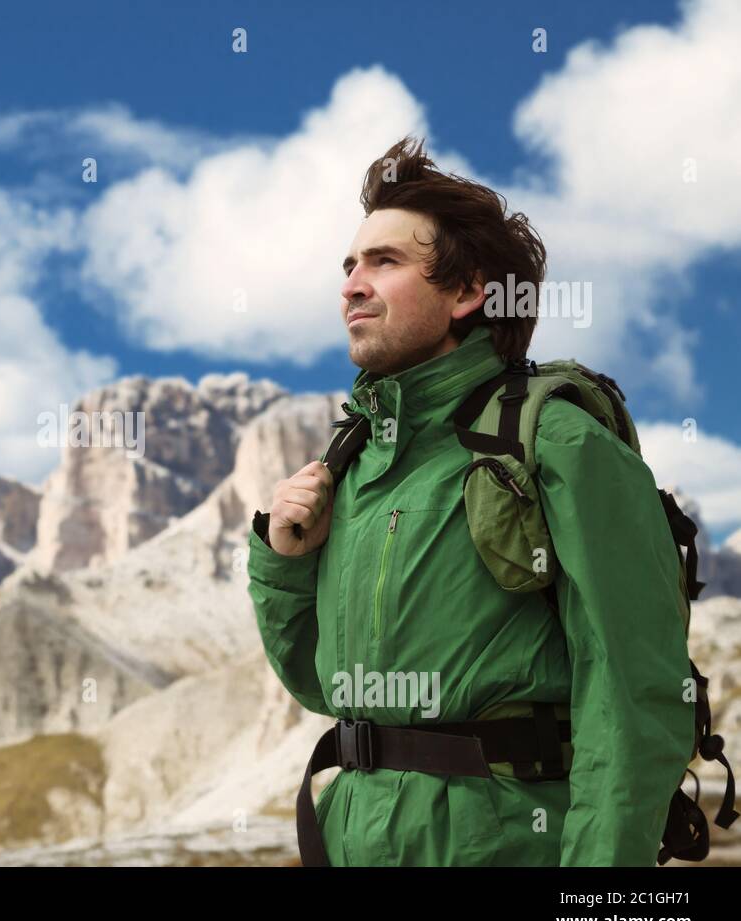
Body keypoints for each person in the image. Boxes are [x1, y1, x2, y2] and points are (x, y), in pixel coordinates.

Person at [246, 136, 697, 866]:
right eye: (350, 265)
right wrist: (283, 562)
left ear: (466, 292)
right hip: (349, 839)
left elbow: (635, 693)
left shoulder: (557, 441)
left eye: (385, 262)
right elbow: (320, 685)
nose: (352, 285)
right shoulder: (353, 463)